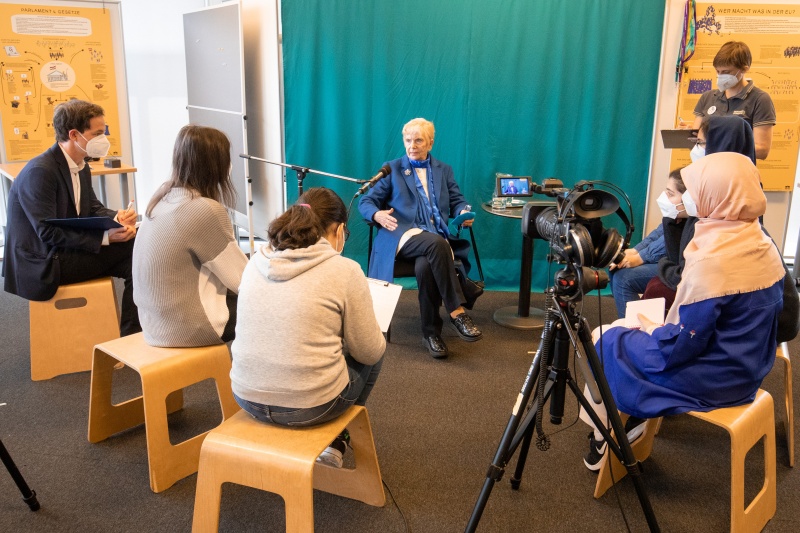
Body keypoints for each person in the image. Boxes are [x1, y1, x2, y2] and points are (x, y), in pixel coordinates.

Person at [581, 152, 785, 470]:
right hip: (749, 369)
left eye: (696, 188)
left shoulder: (714, 258)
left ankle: (605, 435)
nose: (689, 197)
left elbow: (682, 345)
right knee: (622, 329)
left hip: (714, 378)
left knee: (604, 338)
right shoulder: (759, 241)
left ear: (718, 195)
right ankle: (620, 424)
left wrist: (652, 331)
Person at [230, 187, 386, 468]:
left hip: (245, 398)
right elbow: (369, 352)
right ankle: (337, 439)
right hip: (312, 408)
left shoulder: (255, 261)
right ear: (338, 230)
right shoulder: (345, 271)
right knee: (376, 346)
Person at [3, 99, 140, 335]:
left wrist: (117, 217)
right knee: (137, 250)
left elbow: (92, 208)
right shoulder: (41, 172)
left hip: (62, 252)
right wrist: (104, 239)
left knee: (137, 260)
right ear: (75, 134)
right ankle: (132, 336)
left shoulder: (80, 165)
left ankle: (131, 335)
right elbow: (47, 232)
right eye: (97, 133)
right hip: (43, 263)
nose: (103, 138)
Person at [359, 118, 482, 358]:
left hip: (434, 238)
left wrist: (463, 212)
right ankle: (457, 311)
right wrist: (377, 214)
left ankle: (431, 334)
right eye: (408, 140)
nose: (412, 145)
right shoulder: (392, 168)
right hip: (401, 236)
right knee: (436, 245)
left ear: (430, 143)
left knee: (427, 263)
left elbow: (458, 201)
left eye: (418, 140)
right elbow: (366, 201)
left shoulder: (443, 170)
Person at [133, 125, 248, 347]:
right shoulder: (203, 209)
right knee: (270, 302)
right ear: (216, 165)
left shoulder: (161, 197)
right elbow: (242, 280)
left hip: (152, 324)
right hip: (189, 328)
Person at [690, 41, 775, 160]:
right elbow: (697, 141)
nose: (720, 76)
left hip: (736, 171)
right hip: (704, 169)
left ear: (744, 69)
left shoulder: (760, 99)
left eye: (726, 72)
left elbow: (762, 150)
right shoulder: (707, 97)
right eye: (718, 71)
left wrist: (720, 147)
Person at [608, 224, 666, 318]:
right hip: (669, 258)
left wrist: (640, 257)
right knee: (614, 268)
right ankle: (626, 320)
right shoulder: (675, 215)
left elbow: (673, 238)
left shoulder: (693, 216)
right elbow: (661, 231)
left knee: (623, 279)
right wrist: (635, 250)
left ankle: (633, 330)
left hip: (680, 267)